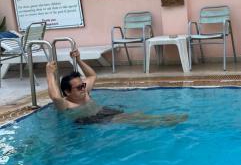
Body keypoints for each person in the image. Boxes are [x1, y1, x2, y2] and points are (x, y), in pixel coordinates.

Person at [46, 49, 187, 126]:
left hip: (102, 111)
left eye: (82, 85)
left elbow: (92, 76)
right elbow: (55, 96)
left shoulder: (85, 93)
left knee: (135, 115)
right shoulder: (66, 104)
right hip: (89, 120)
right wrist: (49, 73)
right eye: (78, 87)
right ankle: (162, 123)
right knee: (127, 119)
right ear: (67, 91)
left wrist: (78, 60)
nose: (83, 88)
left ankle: (162, 119)